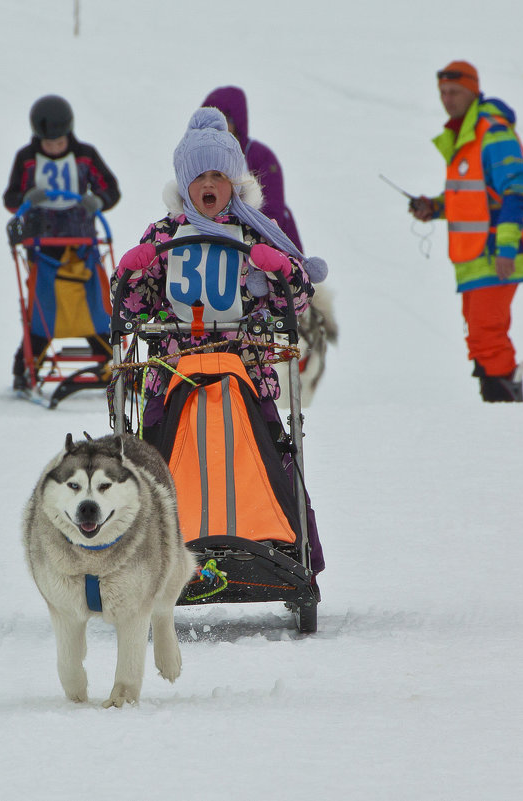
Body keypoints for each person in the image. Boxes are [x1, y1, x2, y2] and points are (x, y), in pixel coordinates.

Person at [114, 107, 324, 575]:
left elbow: (299, 300)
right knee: (158, 463)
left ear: (234, 182)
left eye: (219, 175)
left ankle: (282, 543)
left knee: (269, 455)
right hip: (172, 373)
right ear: (184, 184)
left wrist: (283, 269)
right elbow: (129, 308)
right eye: (199, 176)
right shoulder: (164, 233)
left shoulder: (254, 232)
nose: (209, 185)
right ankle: (150, 551)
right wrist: (131, 270)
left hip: (245, 369)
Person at [409, 60, 523, 402]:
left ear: (472, 91)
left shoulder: (492, 130)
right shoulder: (465, 134)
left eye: (454, 92)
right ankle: (498, 411)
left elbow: (517, 191)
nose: (447, 100)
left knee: (488, 336)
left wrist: (507, 249)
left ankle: (506, 412)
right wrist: (433, 207)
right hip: (474, 258)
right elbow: (472, 200)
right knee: (480, 337)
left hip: (496, 255)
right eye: (443, 93)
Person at [3, 94, 121, 391]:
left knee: (95, 308)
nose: (54, 148)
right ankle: (26, 367)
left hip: (82, 245)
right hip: (43, 248)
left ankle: (112, 362)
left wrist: (98, 201)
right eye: (48, 143)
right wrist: (26, 199)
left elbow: (111, 190)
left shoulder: (85, 155)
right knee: (44, 311)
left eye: (59, 142)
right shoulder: (26, 159)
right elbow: (10, 198)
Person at [201, 86, 302, 251]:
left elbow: (273, 209)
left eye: (224, 118)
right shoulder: (199, 156)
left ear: (236, 121)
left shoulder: (259, 156)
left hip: (262, 243)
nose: (215, 125)